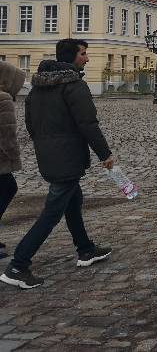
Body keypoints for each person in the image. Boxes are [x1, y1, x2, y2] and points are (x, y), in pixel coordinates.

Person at [1, 39, 114, 290]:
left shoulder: (38, 87)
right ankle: (18, 266)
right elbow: (88, 125)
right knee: (51, 213)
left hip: (49, 156)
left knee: (73, 202)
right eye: (83, 54)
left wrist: (47, 146)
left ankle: (85, 249)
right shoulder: (74, 85)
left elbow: (31, 125)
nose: (86, 58)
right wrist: (104, 154)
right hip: (68, 157)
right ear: (72, 57)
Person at [0, 61, 26, 259]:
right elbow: (7, 134)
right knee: (8, 188)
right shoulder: (4, 99)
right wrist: (12, 157)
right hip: (1, 158)